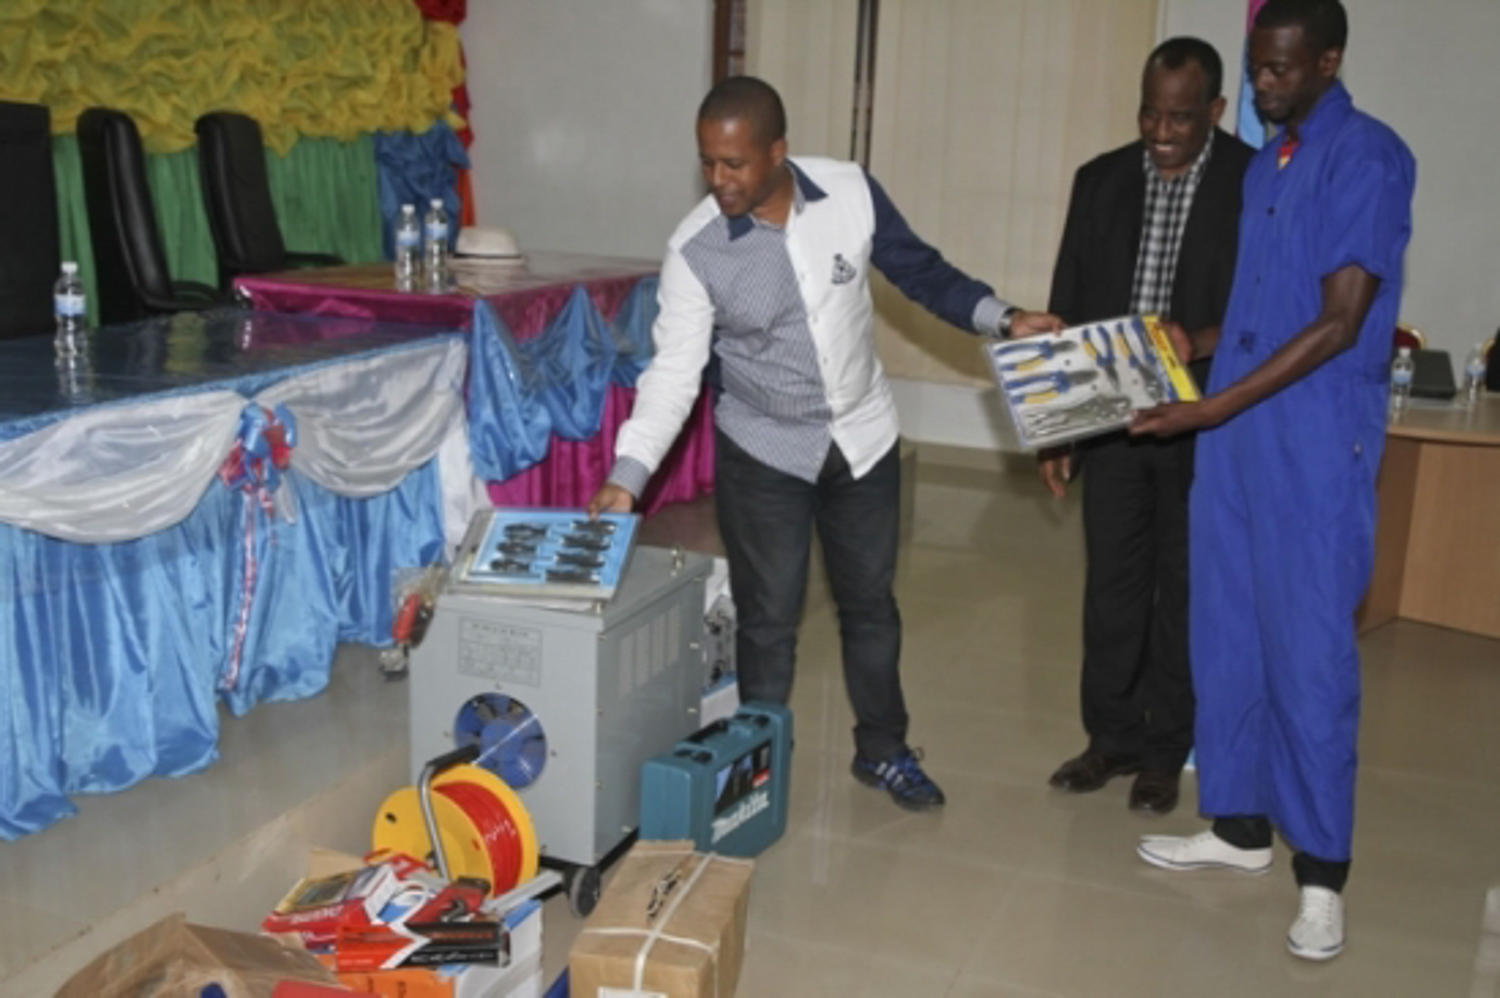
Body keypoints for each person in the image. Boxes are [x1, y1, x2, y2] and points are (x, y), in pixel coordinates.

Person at [588, 76, 1060, 811]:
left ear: (778, 151)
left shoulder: (849, 191)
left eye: (735, 163)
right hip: (764, 450)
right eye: (708, 162)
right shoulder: (697, 251)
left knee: (871, 604)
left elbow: (921, 273)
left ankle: (885, 751)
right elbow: (672, 376)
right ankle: (755, 769)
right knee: (769, 619)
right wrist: (627, 476)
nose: (719, 181)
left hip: (862, 439)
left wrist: (1004, 318)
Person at [1130, 0, 1415, 961]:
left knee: (1308, 655)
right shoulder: (1268, 166)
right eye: (1257, 69)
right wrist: (1194, 343)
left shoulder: (1367, 157)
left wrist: (1210, 405)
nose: (1265, 85)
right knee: (1230, 634)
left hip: (1311, 445)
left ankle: (1323, 874)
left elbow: (1338, 320)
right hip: (1240, 444)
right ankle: (1242, 828)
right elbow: (1262, 308)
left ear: (1329, 60)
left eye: (1284, 69)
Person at [1042, 38, 1254, 816]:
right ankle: (1112, 739)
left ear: (1216, 113)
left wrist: (1199, 340)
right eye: (1150, 115)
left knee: (1185, 590)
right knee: (1113, 587)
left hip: (1207, 422)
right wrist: (1057, 428)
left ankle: (1168, 751)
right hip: (1112, 421)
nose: (1161, 133)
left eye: (1181, 118)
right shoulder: (1099, 182)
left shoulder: (1249, 184)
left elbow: (1271, 314)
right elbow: (1066, 307)